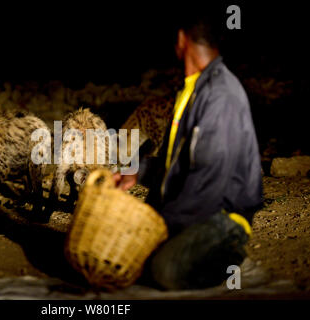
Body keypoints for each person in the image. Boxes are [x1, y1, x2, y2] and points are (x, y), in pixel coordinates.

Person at [113, 8, 263, 290]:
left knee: (161, 270)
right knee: (126, 260)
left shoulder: (220, 95)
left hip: (222, 219)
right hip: (194, 208)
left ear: (182, 39)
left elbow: (209, 182)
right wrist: (136, 172)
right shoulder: (192, 91)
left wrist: (159, 227)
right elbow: (179, 165)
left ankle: (227, 257)